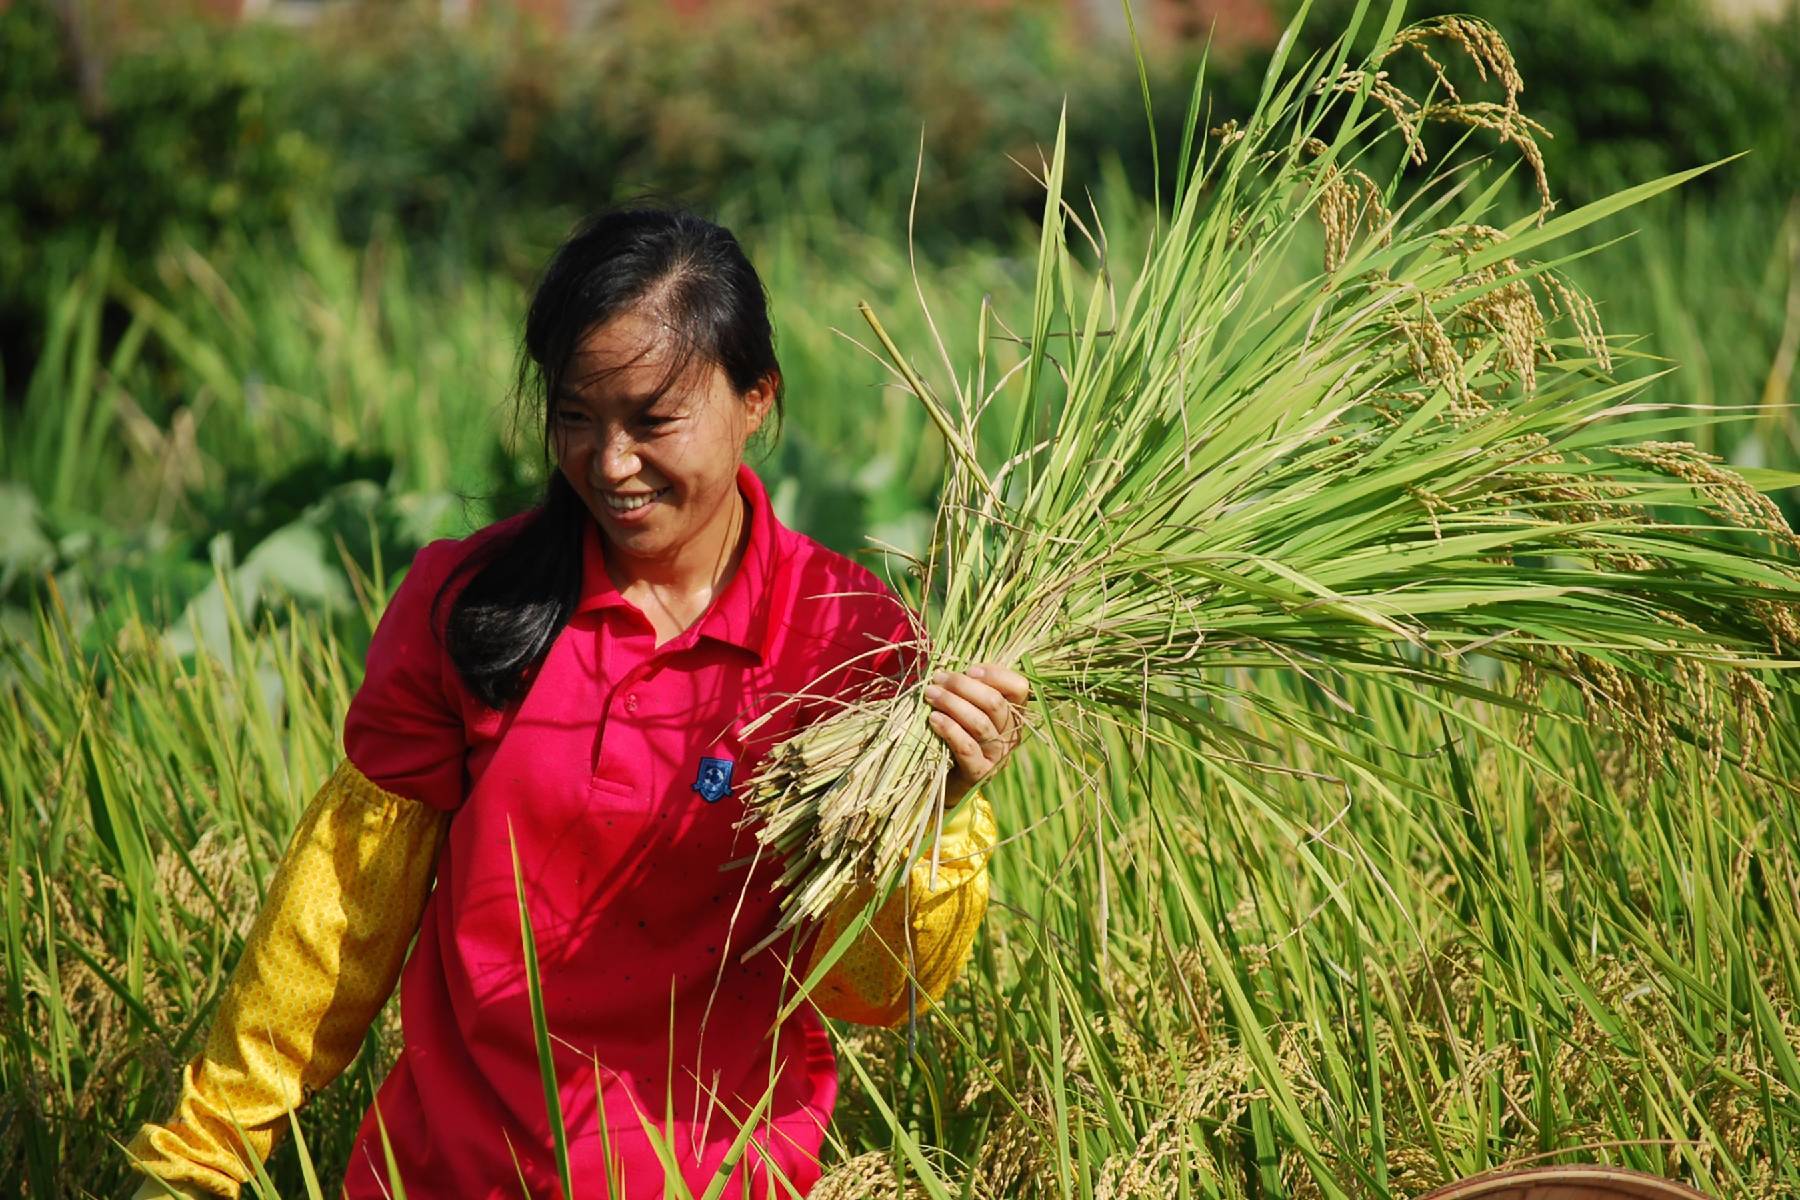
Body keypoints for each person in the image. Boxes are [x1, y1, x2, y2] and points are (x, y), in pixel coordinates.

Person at [124, 208, 1028, 1199]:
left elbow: (873, 989)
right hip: (450, 1176)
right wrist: (205, 1150)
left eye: (653, 420)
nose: (610, 464)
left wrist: (939, 810)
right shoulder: (468, 605)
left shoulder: (847, 640)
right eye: (576, 417)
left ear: (756, 397)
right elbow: (341, 913)